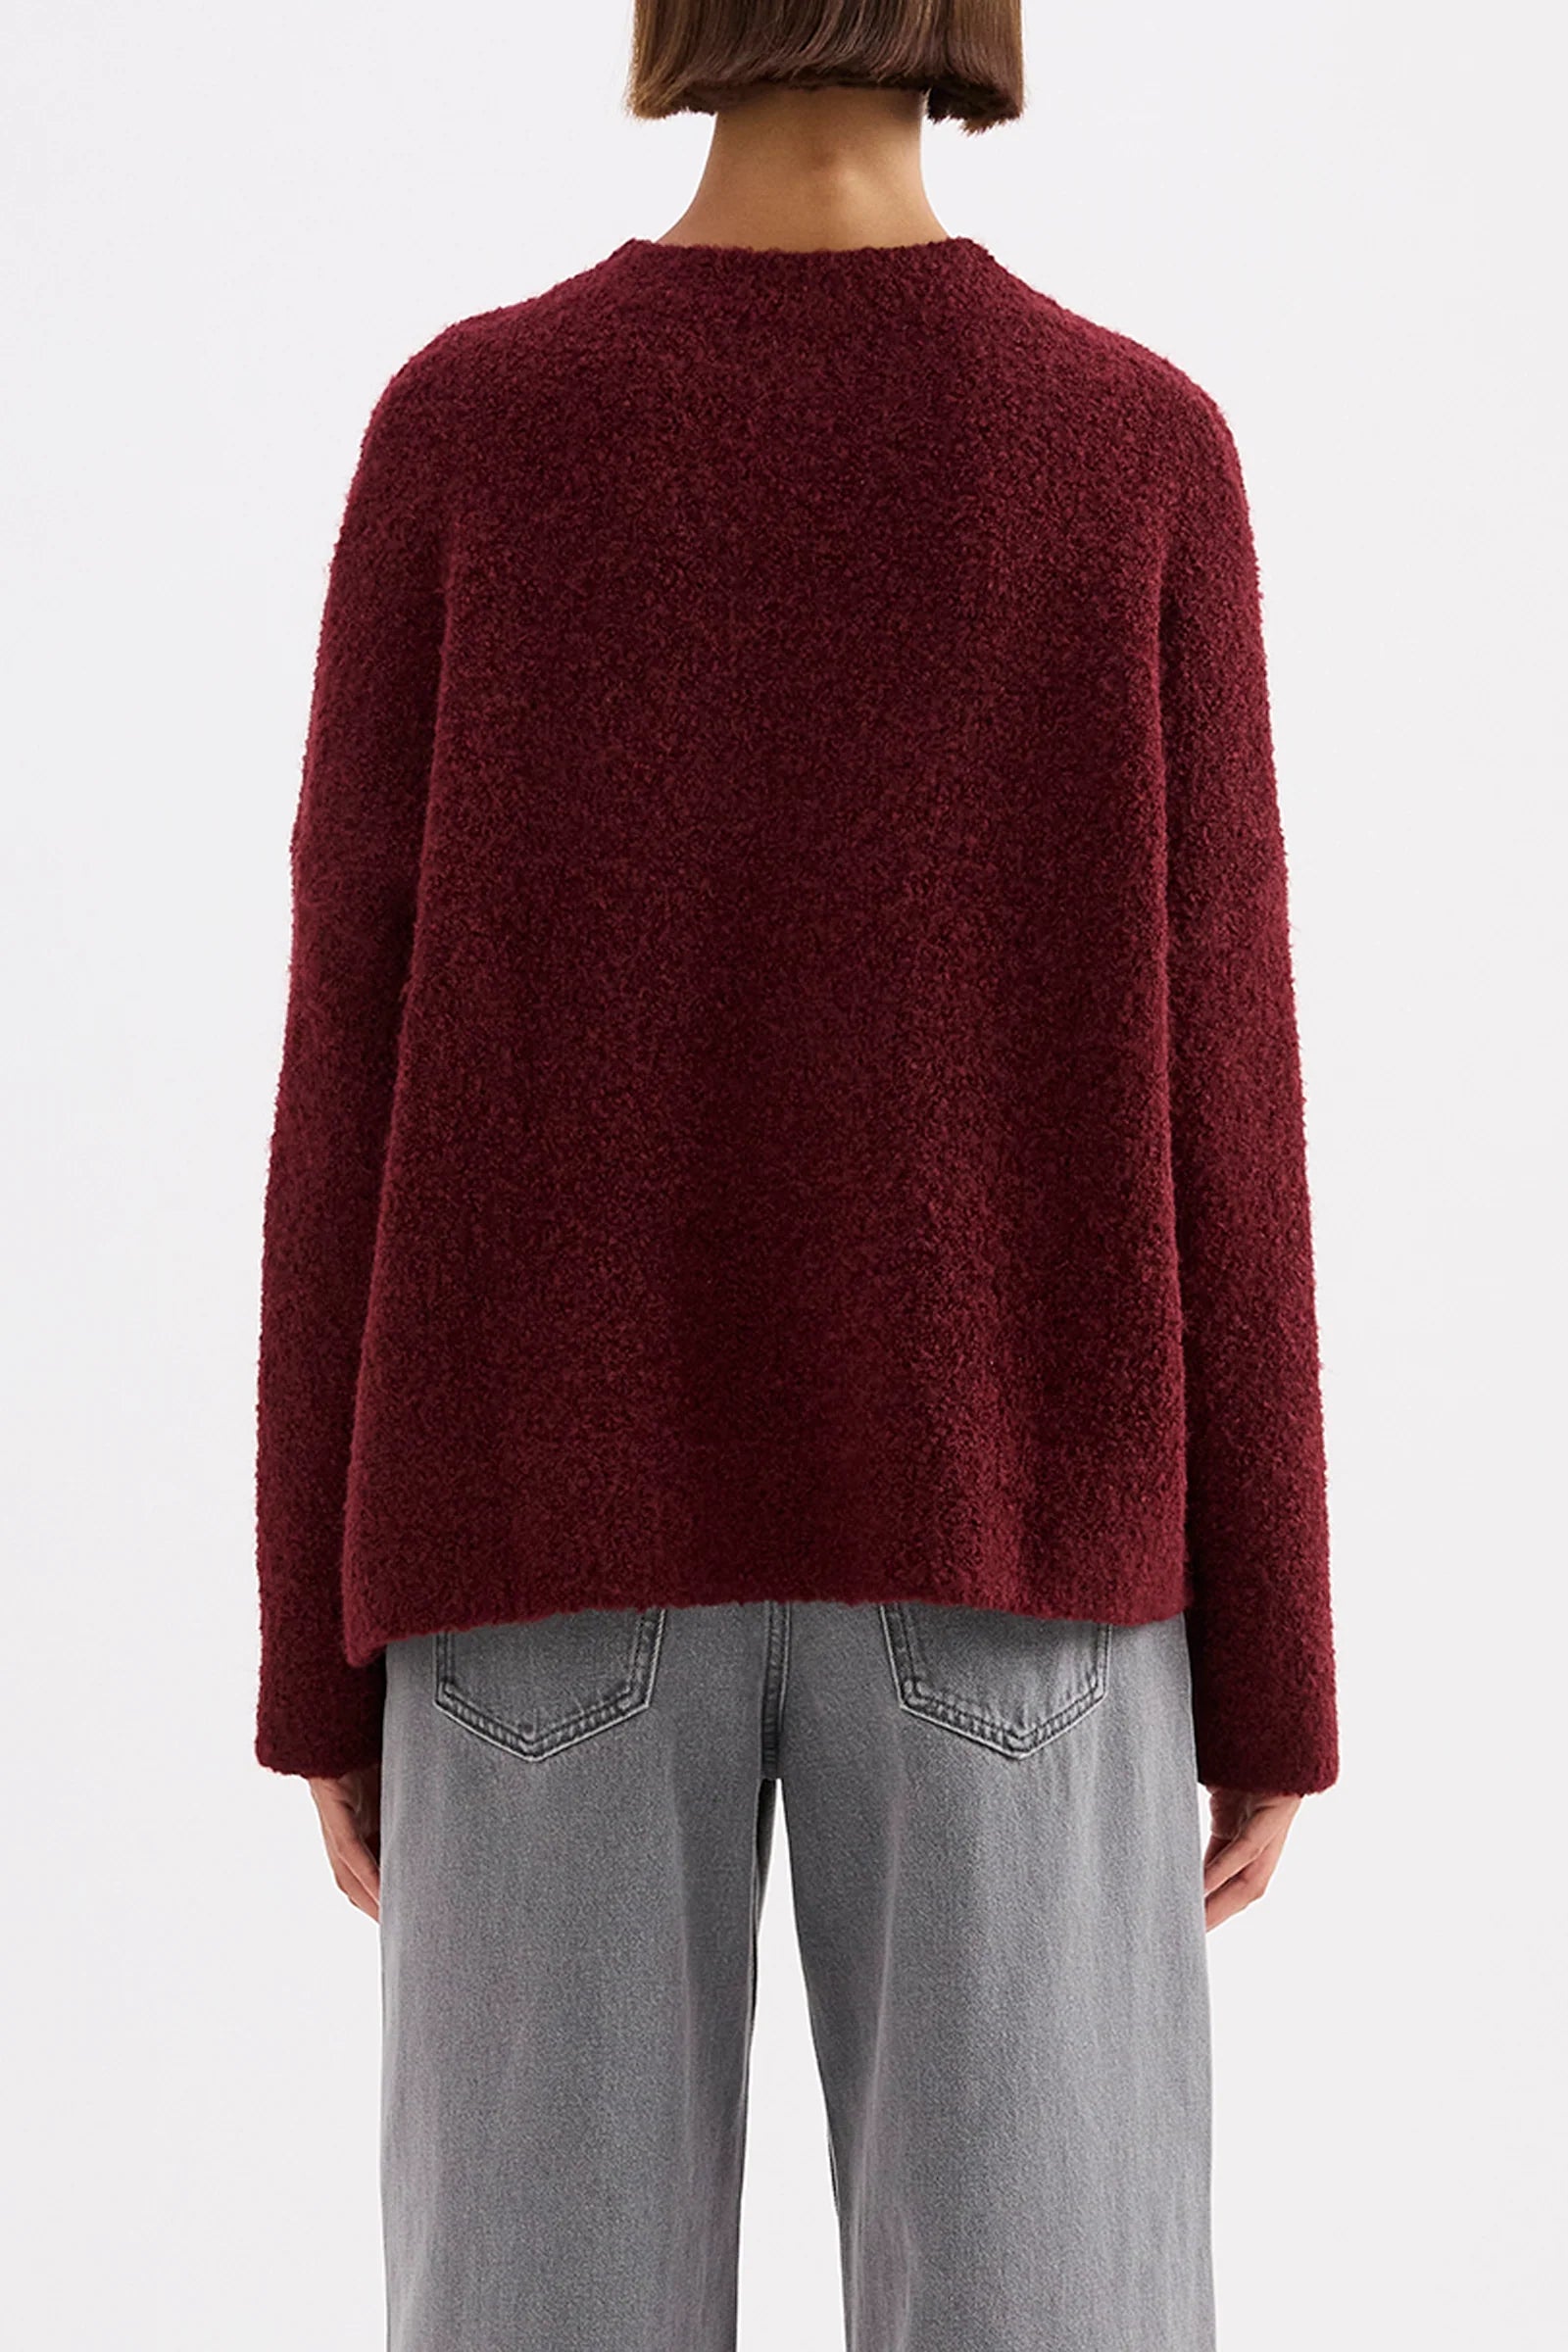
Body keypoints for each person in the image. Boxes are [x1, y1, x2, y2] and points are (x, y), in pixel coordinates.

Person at [253, 3, 1340, 2343]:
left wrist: (310, 1663)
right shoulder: (1128, 448)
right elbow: (1222, 1079)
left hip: (530, 1556)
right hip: (1015, 1552)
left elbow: (347, 1041)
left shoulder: (471, 431)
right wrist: (1269, 1677)